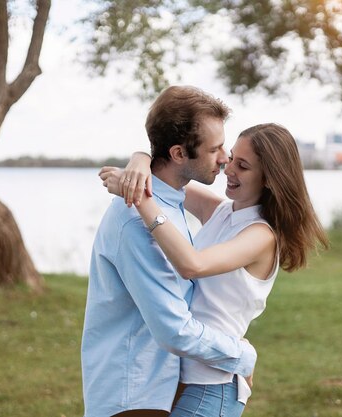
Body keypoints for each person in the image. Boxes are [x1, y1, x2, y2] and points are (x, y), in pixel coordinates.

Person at [100, 122, 329, 416]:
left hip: (215, 384)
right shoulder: (222, 211)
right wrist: (140, 158)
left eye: (243, 166)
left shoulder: (261, 236)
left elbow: (191, 265)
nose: (228, 168)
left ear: (269, 179)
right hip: (184, 376)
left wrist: (141, 200)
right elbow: (169, 179)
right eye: (232, 157)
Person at [81, 86, 258, 417]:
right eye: (215, 149)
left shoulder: (164, 201)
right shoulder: (139, 220)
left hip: (155, 388)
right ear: (178, 154)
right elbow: (173, 330)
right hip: (133, 395)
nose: (225, 159)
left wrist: (141, 157)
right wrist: (242, 356)